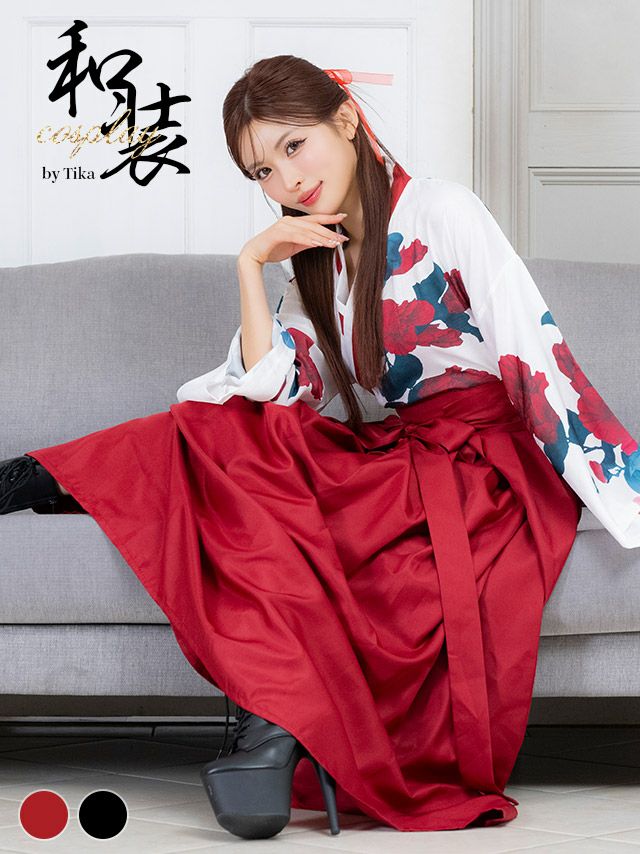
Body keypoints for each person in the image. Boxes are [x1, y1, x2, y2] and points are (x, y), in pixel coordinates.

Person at [1, 54, 639, 840]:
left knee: (253, 462)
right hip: (409, 453)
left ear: (346, 121)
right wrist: (251, 264)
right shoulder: (319, 255)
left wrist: (621, 488)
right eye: (262, 171)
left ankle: (264, 725)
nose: (287, 180)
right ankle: (39, 481)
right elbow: (272, 387)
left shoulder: (443, 208)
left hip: (488, 468)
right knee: (237, 430)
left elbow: (532, 353)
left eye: (294, 146)